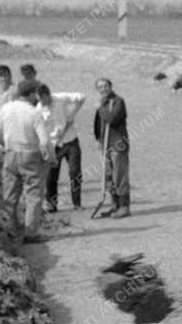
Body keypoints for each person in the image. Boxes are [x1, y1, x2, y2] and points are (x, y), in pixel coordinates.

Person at [0, 79, 54, 243]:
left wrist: (7, 146)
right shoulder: (34, 113)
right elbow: (45, 141)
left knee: (10, 193)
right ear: (32, 94)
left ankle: (10, 228)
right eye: (37, 95)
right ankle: (30, 233)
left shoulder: (6, 108)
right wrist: (49, 157)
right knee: (33, 194)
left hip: (10, 154)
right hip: (30, 155)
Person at [37, 84, 85, 211]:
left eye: (44, 99)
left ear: (48, 95)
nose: (42, 103)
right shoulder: (38, 109)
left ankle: (77, 203)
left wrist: (71, 115)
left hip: (71, 141)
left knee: (75, 172)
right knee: (51, 176)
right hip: (53, 145)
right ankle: (52, 205)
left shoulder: (60, 98)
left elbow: (81, 97)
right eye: (40, 100)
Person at [92, 77, 130, 218]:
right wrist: (98, 139)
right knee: (108, 176)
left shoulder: (118, 101)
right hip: (105, 144)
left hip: (117, 144)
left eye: (105, 86)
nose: (103, 89)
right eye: (100, 87)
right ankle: (115, 205)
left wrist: (101, 108)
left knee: (119, 176)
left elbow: (112, 119)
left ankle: (124, 207)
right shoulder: (103, 103)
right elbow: (98, 123)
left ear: (111, 86)